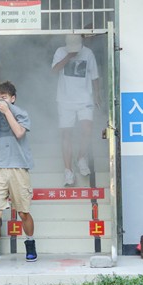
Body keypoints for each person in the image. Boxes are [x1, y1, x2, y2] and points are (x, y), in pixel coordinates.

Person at [0, 81, 36, 266]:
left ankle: (30, 243)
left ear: (13, 98)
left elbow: (19, 133)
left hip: (19, 167)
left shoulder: (21, 114)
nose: (0, 101)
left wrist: (7, 112)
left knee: (23, 212)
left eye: (3, 97)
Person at [51, 33, 100, 187]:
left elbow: (94, 76)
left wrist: (97, 95)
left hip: (85, 98)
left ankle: (81, 158)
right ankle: (68, 170)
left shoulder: (88, 53)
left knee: (87, 129)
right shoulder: (60, 51)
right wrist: (68, 56)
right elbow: (54, 70)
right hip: (64, 100)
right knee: (66, 134)